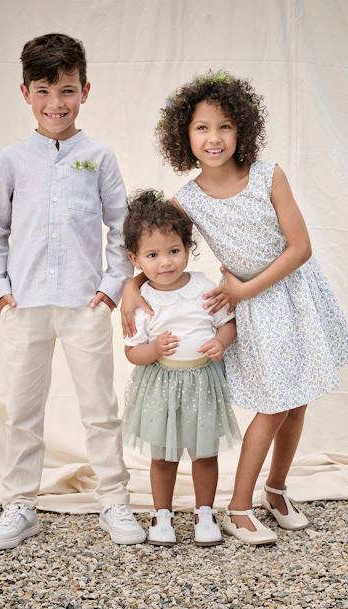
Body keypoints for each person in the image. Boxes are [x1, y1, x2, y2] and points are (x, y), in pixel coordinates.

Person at [122, 71, 348, 545]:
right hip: (254, 311)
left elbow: (300, 249)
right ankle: (237, 506)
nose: (214, 138)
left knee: (297, 399)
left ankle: (277, 488)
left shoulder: (268, 175)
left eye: (225, 126)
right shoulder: (186, 199)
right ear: (183, 137)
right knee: (273, 405)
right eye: (202, 128)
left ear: (242, 130)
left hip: (295, 293)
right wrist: (132, 287)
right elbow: (154, 245)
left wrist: (245, 290)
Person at [0, 33, 145, 550]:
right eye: (45, 90)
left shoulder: (98, 157)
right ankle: (20, 504)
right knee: (23, 411)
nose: (57, 103)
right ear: (26, 92)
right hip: (24, 305)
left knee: (99, 407)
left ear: (86, 90)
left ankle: (114, 499)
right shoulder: (12, 160)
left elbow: (122, 229)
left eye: (68, 90)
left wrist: (110, 289)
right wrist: (0, 292)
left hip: (84, 305)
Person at [122, 190, 241, 546]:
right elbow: (131, 352)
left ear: (188, 249)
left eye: (174, 251)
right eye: (153, 255)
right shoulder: (142, 301)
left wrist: (221, 341)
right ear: (135, 258)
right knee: (163, 455)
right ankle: (162, 515)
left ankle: (205, 512)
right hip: (161, 385)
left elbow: (228, 323)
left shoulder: (204, 286)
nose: (166, 263)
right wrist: (154, 349)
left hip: (203, 383)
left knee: (205, 453)